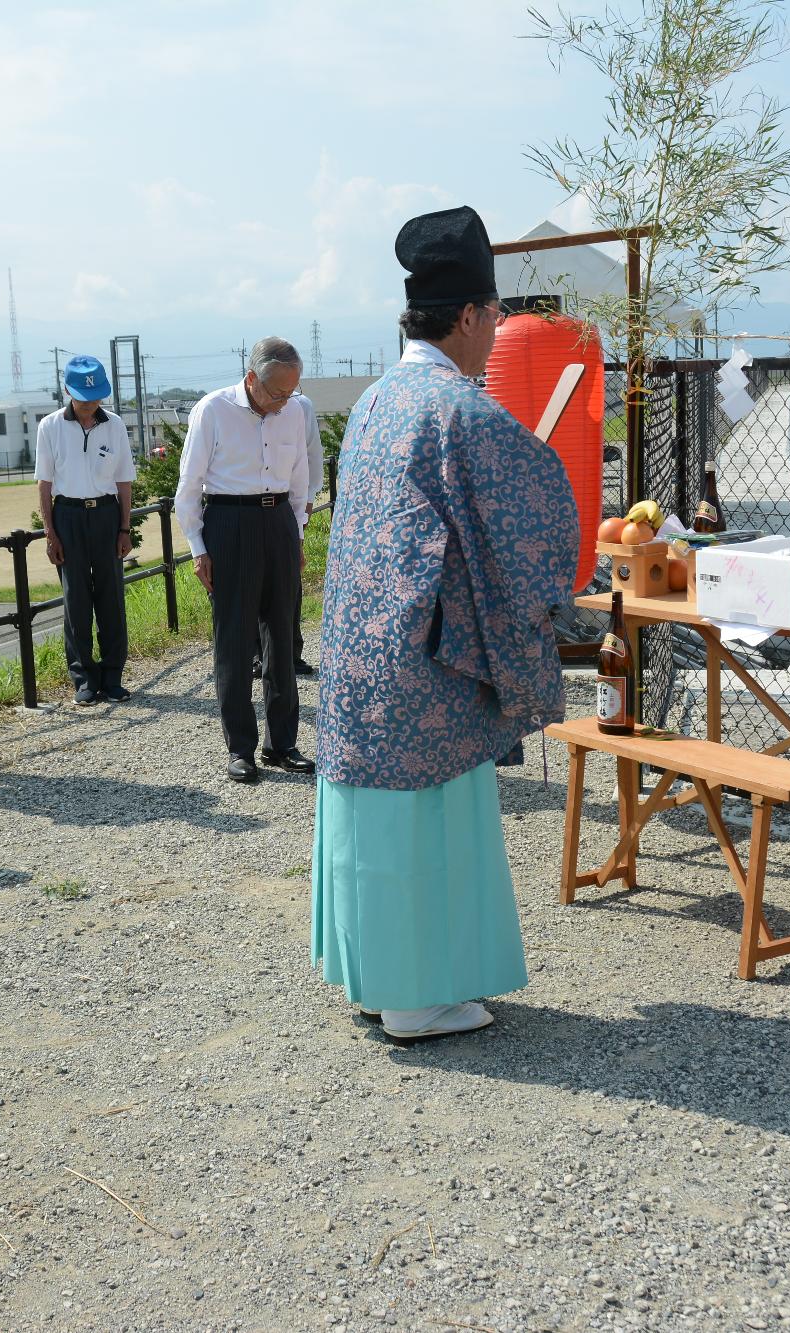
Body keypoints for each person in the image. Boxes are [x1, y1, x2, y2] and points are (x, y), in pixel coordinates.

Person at [310, 205, 578, 1043]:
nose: (499, 330)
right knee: (424, 828)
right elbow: (537, 514)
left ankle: (371, 974)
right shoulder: (457, 409)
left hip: (361, 652)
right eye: (497, 314)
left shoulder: (380, 399)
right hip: (423, 663)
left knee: (367, 825)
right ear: (468, 315)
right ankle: (417, 996)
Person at [176, 338, 314, 784]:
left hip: (279, 524)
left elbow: (300, 479)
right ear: (251, 378)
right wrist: (199, 547)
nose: (283, 401)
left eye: (290, 393)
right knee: (234, 642)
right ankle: (241, 747)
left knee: (282, 640)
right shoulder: (213, 410)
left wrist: (297, 535)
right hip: (229, 522)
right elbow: (189, 486)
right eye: (276, 392)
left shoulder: (294, 411)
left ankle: (282, 743)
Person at [37, 355, 136, 706]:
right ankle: (83, 677)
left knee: (111, 598)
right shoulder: (49, 426)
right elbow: (44, 484)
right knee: (75, 600)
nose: (90, 405)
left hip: (107, 515)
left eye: (95, 398)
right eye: (83, 398)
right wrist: (51, 533)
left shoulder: (115, 425)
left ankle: (113, 677)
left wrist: (125, 528)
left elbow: (124, 481)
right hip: (68, 515)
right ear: (67, 391)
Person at [252, 389, 322, 681]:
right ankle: (257, 654)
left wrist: (304, 505)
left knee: (288, 581)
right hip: (251, 506)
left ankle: (290, 651)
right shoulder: (241, 406)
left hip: (286, 505)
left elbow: (310, 457)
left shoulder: (300, 405)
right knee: (254, 581)